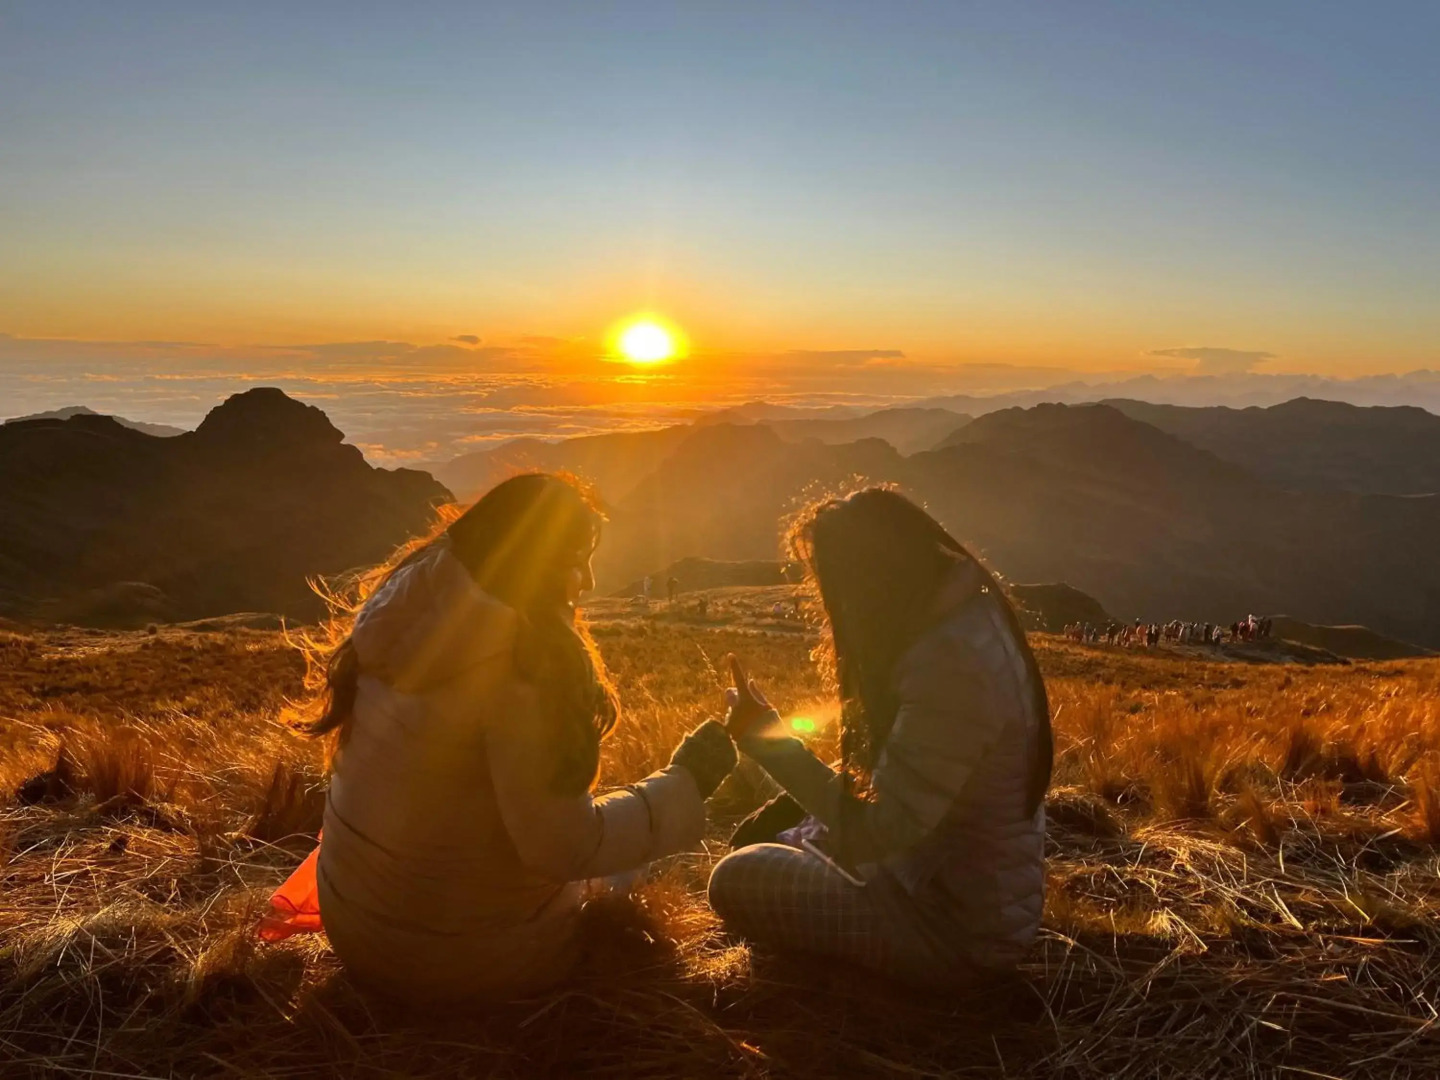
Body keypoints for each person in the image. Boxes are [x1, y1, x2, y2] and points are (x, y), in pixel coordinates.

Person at [295, 473, 737, 1004]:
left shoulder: (400, 624)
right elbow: (565, 848)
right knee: (635, 864)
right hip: (468, 961)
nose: (589, 580)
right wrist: (688, 780)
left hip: (355, 931)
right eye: (576, 559)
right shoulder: (519, 670)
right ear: (534, 565)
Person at [707, 488, 1052, 987]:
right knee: (759, 838)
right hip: (950, 889)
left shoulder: (952, 667)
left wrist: (767, 742)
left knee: (733, 877)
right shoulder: (964, 621)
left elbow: (879, 832)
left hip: (954, 930)